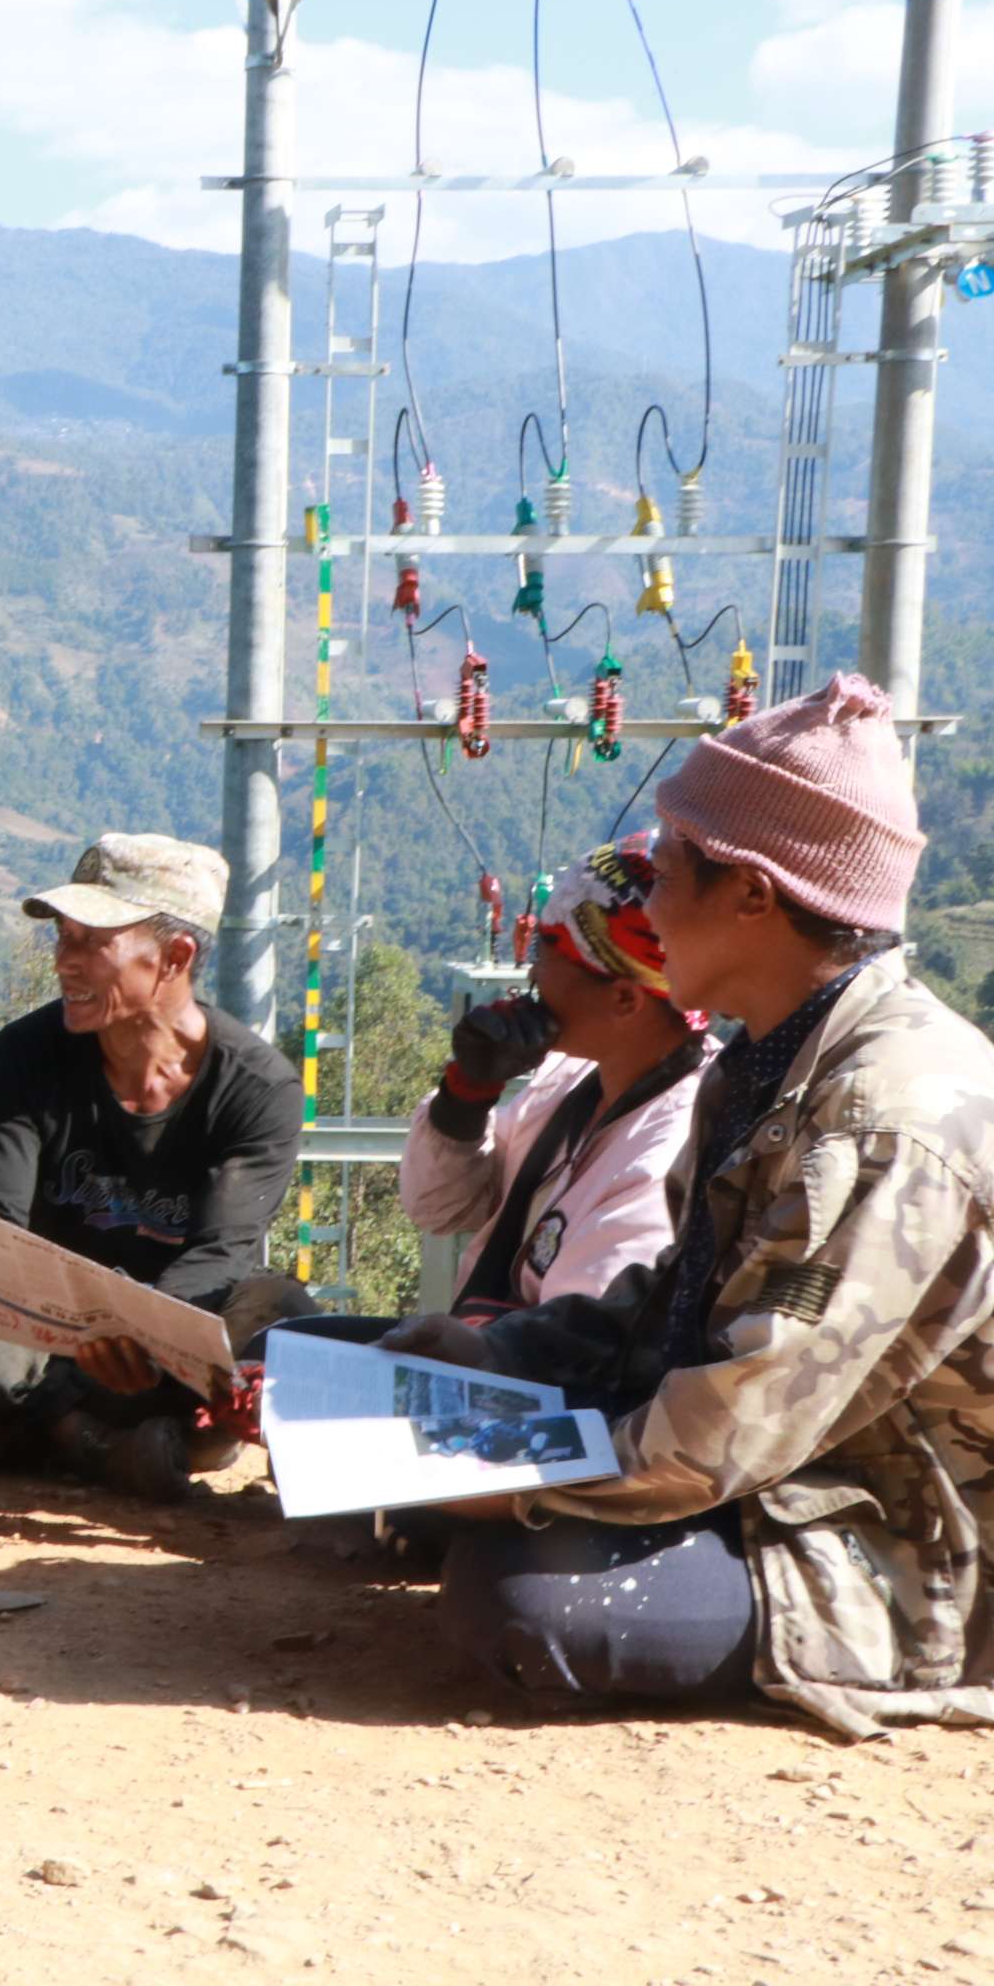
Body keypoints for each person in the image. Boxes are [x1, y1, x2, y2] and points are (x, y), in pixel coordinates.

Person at [387, 676, 994, 1733]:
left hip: (901, 1531)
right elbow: (680, 1300)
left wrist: (515, 1479)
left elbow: (736, 1411)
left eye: (667, 875)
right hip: (783, 1470)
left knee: (527, 1598)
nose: (652, 910)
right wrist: (500, 1358)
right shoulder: (765, 1060)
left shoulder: (885, 1119)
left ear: (754, 895)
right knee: (440, 1382)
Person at [0, 833, 304, 1501]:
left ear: (175, 957)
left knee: (282, 1312)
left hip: (163, 1342)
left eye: (90, 942)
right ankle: (89, 1440)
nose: (64, 963)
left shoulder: (258, 1088)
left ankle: (18, 1427)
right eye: (62, 938)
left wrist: (134, 1333)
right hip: (37, 1330)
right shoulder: (26, 1055)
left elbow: (220, 1255)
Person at [399, 834, 717, 1319]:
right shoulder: (571, 1077)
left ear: (624, 999)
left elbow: (568, 1347)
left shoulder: (665, 1159)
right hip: (485, 1357)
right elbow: (439, 1209)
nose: (531, 975)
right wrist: (465, 1098)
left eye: (547, 951)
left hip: (534, 1381)